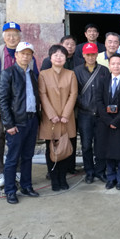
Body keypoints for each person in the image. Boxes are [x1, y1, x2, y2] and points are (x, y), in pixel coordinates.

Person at [0, 22, 38, 189]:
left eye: (15, 35)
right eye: (8, 35)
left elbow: (36, 80)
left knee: (20, 140)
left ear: (20, 37)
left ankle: (18, 170)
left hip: (21, 108)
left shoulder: (29, 57)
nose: (12, 38)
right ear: (4, 37)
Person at [0, 41, 40, 204]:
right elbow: (3, 101)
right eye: (23, 53)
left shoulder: (32, 74)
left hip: (31, 120)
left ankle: (26, 186)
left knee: (28, 156)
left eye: (29, 54)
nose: (26, 57)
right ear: (16, 55)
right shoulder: (7, 74)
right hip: (17, 123)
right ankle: (10, 190)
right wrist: (9, 124)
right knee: (13, 158)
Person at [38, 45, 78, 191]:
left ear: (66, 58)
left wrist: (66, 114)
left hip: (67, 118)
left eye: (62, 55)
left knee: (65, 148)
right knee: (51, 149)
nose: (59, 58)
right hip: (50, 119)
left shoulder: (71, 74)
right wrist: (51, 115)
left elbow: (73, 94)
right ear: (50, 58)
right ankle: (54, 179)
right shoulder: (43, 74)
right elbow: (42, 95)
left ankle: (63, 178)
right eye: (56, 55)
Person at [96, 53, 120, 190]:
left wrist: (117, 121)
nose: (116, 66)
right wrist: (108, 121)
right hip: (106, 123)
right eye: (113, 63)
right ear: (109, 65)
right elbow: (99, 101)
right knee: (108, 151)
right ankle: (111, 178)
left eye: (119, 64)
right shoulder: (103, 80)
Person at [74, 43, 110, 184]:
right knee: (86, 145)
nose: (90, 57)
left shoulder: (104, 70)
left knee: (101, 144)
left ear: (97, 55)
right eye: (88, 54)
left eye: (93, 54)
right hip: (85, 114)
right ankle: (89, 172)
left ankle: (100, 171)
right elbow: (74, 92)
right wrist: (82, 103)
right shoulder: (76, 71)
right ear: (83, 55)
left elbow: (108, 91)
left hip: (101, 115)